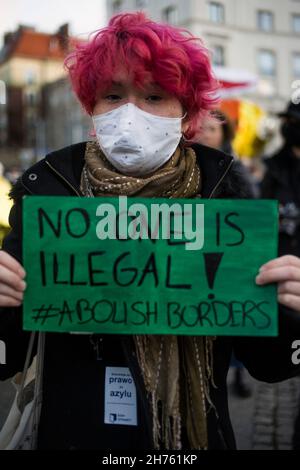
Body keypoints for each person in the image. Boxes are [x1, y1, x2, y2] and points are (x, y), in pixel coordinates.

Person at [0, 12, 300, 451]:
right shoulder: (48, 195)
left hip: (191, 443)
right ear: (92, 106)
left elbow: (268, 365)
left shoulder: (226, 199)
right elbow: (6, 352)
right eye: (113, 95)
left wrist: (290, 313)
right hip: (73, 431)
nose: (130, 115)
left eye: (155, 96)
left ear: (185, 114)